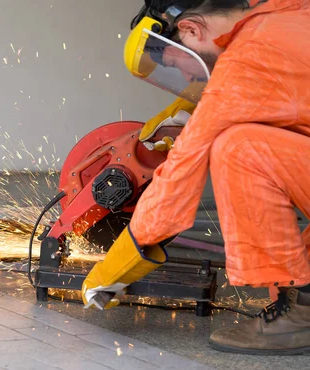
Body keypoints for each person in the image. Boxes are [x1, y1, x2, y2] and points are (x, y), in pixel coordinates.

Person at [82, 0, 310, 355]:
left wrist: (112, 271)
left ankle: (299, 317)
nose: (188, 77)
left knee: (237, 148)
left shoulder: (248, 56)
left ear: (190, 30)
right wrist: (194, 111)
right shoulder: (286, 16)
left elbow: (179, 179)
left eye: (175, 64)